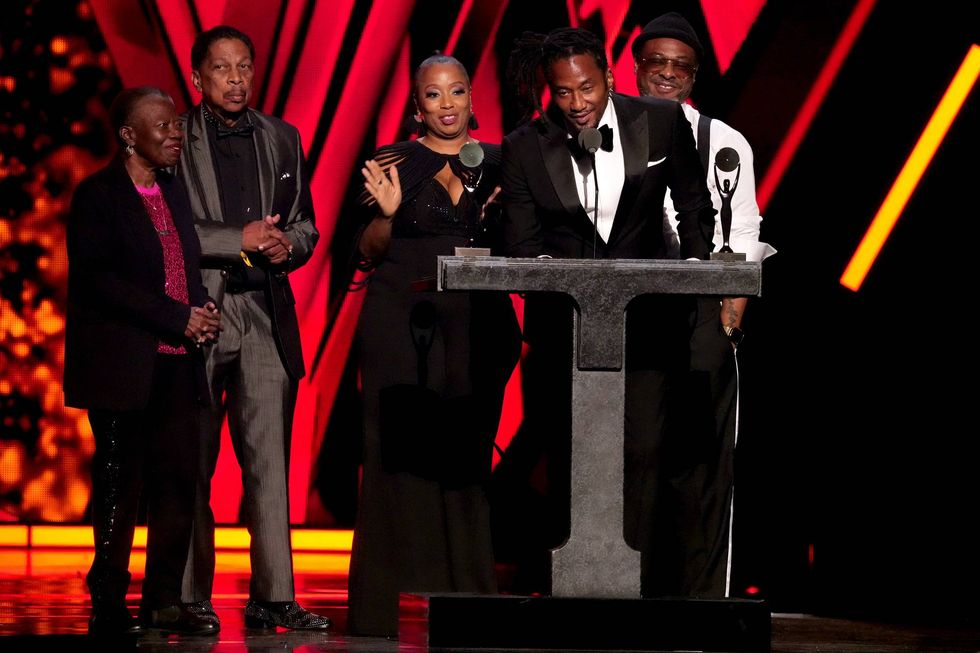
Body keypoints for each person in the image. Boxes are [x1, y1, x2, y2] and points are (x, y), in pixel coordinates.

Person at [497, 27, 716, 597]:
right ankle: (570, 588)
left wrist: (693, 276)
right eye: (564, 93)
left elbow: (694, 204)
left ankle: (633, 589)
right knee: (573, 458)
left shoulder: (662, 122)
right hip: (563, 336)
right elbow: (521, 246)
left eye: (587, 88)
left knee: (642, 451)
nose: (578, 104)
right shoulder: (526, 145)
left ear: (611, 78)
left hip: (649, 327)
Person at [345, 53, 521, 637]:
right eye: (433, 96)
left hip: (479, 325)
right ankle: (384, 607)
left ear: (473, 98)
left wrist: (505, 225)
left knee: (465, 460)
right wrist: (390, 217)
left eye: (456, 93)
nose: (446, 106)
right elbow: (367, 252)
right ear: (416, 104)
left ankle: (468, 602)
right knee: (397, 456)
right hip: (402, 321)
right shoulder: (391, 162)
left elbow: (523, 247)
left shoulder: (503, 164)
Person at [174, 25, 329, 631]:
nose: (235, 79)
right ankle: (189, 596)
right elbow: (167, 226)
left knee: (271, 461)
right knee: (195, 459)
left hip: (263, 309)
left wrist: (288, 245)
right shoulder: (174, 136)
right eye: (222, 68)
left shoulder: (281, 137)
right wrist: (233, 240)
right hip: (199, 312)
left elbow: (308, 224)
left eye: (244, 66)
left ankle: (273, 595)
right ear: (197, 78)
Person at [64, 85, 221, 636]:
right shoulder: (98, 196)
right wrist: (175, 316)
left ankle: (164, 599)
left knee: (179, 479)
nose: (175, 133)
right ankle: (108, 595)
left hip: (177, 361)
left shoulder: (173, 191)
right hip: (124, 364)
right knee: (119, 483)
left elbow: (185, 266)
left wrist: (200, 309)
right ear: (130, 137)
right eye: (162, 126)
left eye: (177, 124)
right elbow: (100, 282)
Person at [632, 11, 776, 597]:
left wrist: (731, 316)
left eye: (679, 66)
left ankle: (697, 597)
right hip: (631, 309)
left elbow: (743, 235)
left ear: (694, 75)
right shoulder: (605, 134)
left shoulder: (725, 142)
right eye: (656, 63)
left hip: (701, 315)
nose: (666, 74)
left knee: (697, 465)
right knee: (635, 456)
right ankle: (622, 592)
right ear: (637, 68)